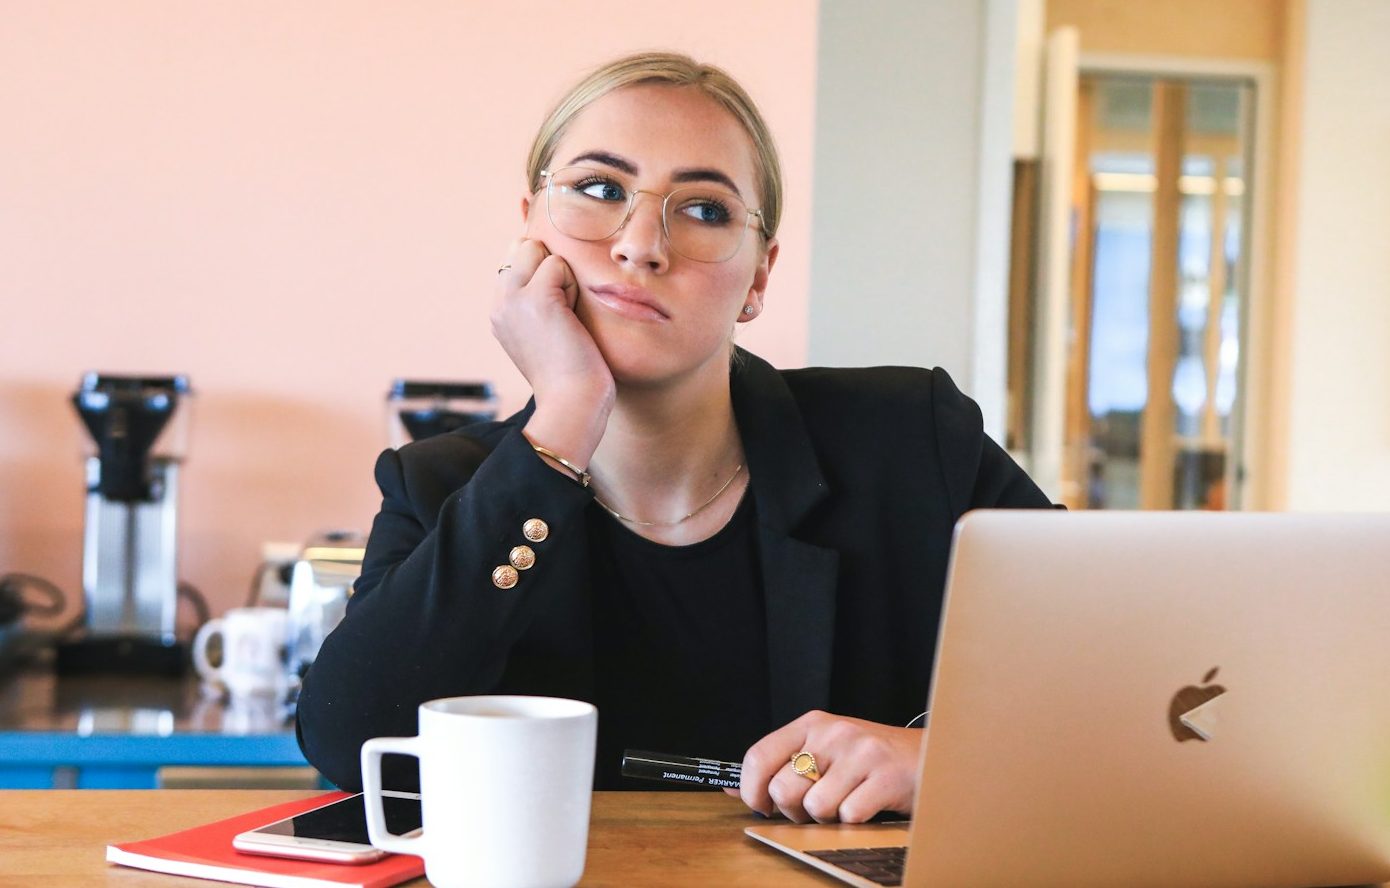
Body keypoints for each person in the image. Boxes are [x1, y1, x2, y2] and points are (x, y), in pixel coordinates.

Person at [295, 51, 1053, 825]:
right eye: (599, 190)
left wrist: (943, 761)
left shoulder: (911, 440)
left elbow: (1137, 684)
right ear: (527, 228)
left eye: (704, 210)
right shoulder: (439, 485)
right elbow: (351, 744)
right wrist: (564, 417)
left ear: (759, 277)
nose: (640, 244)